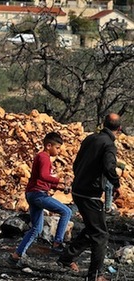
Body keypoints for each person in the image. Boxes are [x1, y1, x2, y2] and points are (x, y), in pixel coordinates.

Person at [57, 113, 122, 281]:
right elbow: (109, 167)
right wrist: (116, 184)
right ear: (119, 129)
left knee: (93, 228)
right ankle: (95, 275)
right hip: (90, 194)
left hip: (78, 189)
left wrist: (80, 177)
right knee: (101, 235)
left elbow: (76, 162)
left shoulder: (91, 138)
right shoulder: (109, 144)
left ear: (103, 123)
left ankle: (66, 258)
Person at [9, 132, 72, 266]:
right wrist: (60, 180)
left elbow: (43, 180)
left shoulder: (43, 157)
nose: (59, 151)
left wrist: (61, 187)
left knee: (36, 229)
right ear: (49, 145)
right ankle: (57, 242)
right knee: (66, 212)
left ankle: (16, 255)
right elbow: (44, 176)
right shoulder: (44, 157)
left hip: (33, 194)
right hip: (38, 194)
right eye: (58, 148)